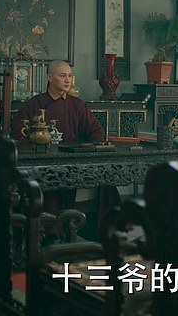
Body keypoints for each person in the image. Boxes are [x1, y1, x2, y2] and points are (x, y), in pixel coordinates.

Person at [11, 60, 120, 215]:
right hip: (44, 162)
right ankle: (51, 226)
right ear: (49, 77)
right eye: (62, 76)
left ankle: (105, 225)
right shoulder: (34, 104)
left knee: (108, 180)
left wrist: (87, 150)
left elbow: (96, 131)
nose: (68, 80)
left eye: (69, 75)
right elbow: (18, 136)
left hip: (74, 160)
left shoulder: (77, 105)